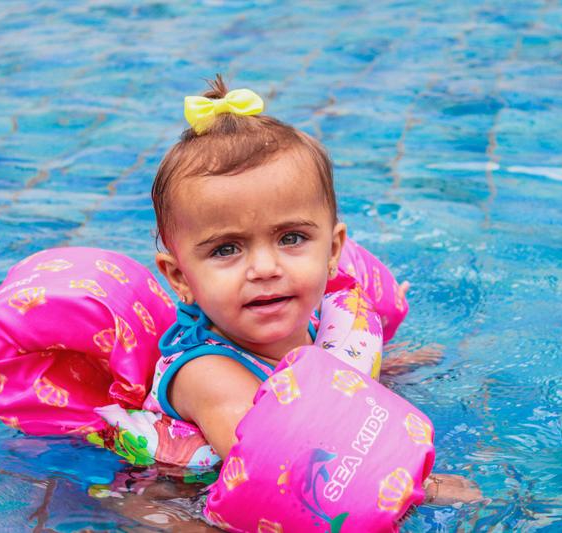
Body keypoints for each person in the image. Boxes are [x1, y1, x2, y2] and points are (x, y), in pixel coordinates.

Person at [141, 75, 482, 506]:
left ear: (333, 250)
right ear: (180, 278)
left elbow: (333, 374)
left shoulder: (321, 319)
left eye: (291, 238)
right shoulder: (208, 375)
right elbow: (280, 461)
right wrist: (418, 488)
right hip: (177, 500)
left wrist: (390, 367)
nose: (265, 268)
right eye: (226, 249)